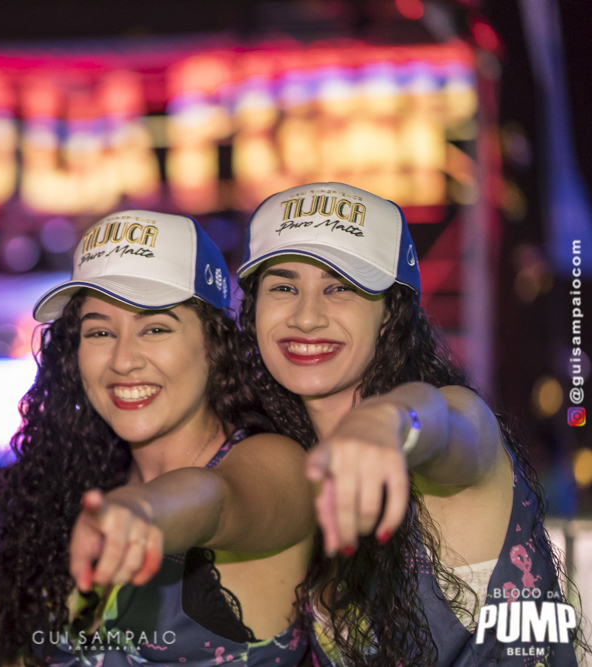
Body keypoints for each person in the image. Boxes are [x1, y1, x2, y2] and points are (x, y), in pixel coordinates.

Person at [236, 182, 583, 665]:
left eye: (340, 288)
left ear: (389, 314)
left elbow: (445, 422)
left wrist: (389, 422)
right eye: (283, 287)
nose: (306, 317)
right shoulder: (288, 461)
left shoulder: (453, 418)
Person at [0, 210, 315, 667]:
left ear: (215, 345)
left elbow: (213, 499)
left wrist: (143, 511)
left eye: (155, 328)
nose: (123, 361)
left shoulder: (273, 463)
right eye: (100, 332)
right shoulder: (75, 490)